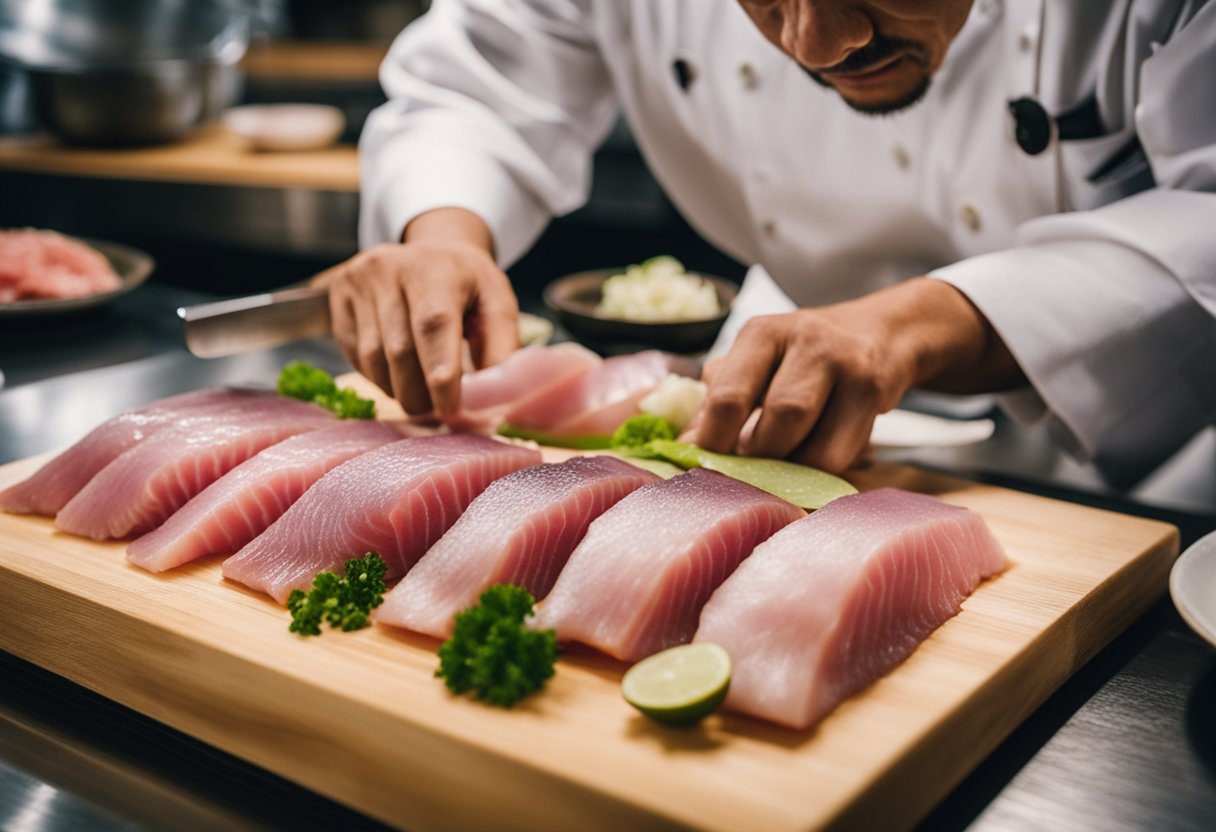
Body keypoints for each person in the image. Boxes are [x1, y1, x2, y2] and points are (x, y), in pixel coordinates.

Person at [315, 0, 1216, 485]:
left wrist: (916, 324)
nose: (820, 40)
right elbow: (476, 86)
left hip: (1143, 472)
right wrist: (440, 237)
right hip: (772, 410)